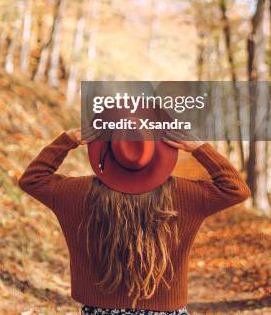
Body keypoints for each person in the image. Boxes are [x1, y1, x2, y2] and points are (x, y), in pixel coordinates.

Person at [18, 126, 251, 315]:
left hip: (99, 311)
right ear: (159, 154)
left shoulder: (77, 193)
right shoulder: (184, 195)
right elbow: (236, 189)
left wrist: (66, 140)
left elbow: (33, 179)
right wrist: (200, 148)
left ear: (106, 152)